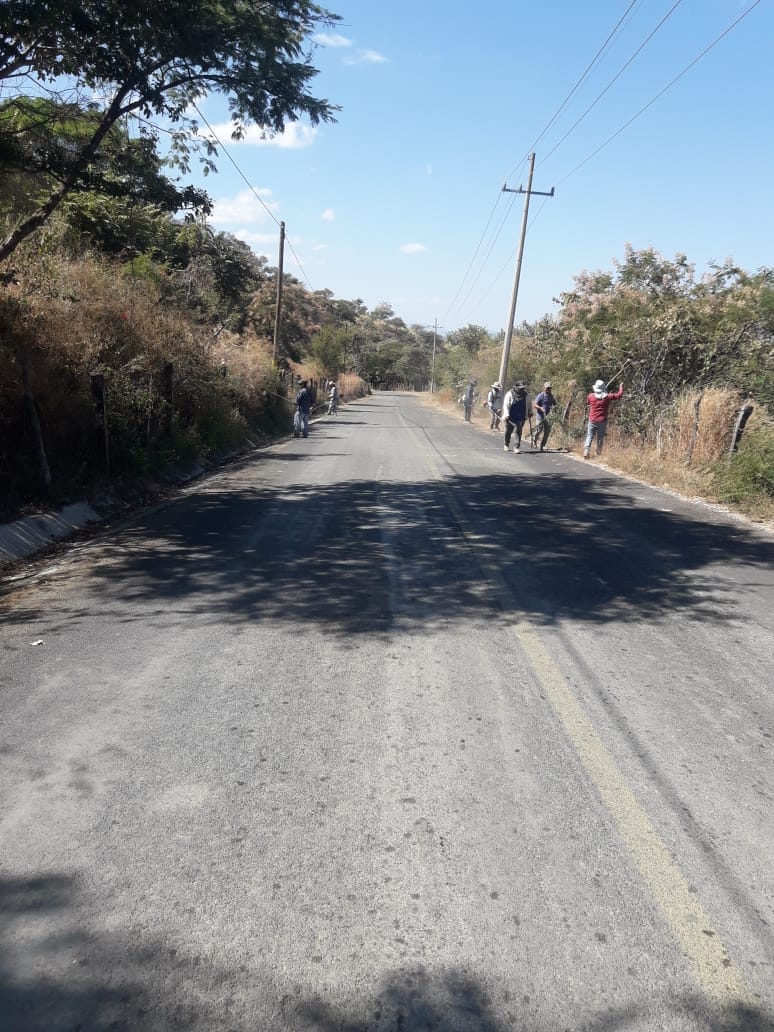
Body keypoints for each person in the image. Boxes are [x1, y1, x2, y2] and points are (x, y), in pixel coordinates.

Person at [584, 379, 624, 458]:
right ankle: (598, 453)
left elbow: (588, 402)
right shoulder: (608, 397)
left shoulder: (590, 396)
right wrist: (621, 387)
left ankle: (586, 451)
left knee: (590, 435)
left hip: (592, 419)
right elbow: (619, 395)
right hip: (602, 420)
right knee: (600, 437)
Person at [502, 381, 528, 453]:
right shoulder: (509, 394)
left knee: (518, 430)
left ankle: (516, 447)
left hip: (520, 417)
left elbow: (528, 403)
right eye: (520, 388)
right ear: (516, 387)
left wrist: (530, 412)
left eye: (523, 388)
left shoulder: (525, 395)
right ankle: (506, 444)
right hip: (510, 417)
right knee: (508, 431)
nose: (522, 390)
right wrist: (506, 414)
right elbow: (506, 405)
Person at [532, 382, 557, 451]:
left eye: (549, 388)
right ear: (544, 388)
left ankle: (542, 446)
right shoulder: (541, 395)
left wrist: (554, 408)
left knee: (547, 432)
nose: (548, 389)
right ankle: (534, 440)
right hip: (540, 416)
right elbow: (534, 404)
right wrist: (540, 408)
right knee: (538, 430)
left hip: (549, 417)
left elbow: (554, 404)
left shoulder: (551, 396)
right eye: (547, 388)